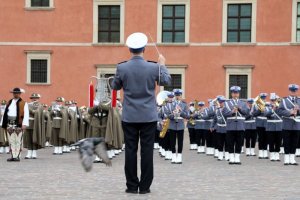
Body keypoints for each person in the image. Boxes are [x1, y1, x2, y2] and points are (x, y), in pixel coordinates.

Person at [112, 32, 171, 194]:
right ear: (144, 49)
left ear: (130, 49)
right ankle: (144, 187)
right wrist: (162, 65)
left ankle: (131, 186)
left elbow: (115, 86)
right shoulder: (153, 67)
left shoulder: (122, 67)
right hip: (148, 117)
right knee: (147, 152)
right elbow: (166, 81)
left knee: (130, 151)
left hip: (130, 116)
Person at [0, 88, 29, 162]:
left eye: (17, 93)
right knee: (11, 140)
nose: (16, 94)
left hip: (18, 123)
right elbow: (6, 113)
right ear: (13, 94)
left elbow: (26, 114)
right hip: (9, 123)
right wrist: (3, 123)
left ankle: (17, 156)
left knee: (18, 140)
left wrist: (25, 124)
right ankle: (13, 155)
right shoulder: (9, 102)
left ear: (20, 94)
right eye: (14, 93)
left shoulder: (23, 103)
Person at [224, 86, 248, 165]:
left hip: (240, 125)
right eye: (234, 93)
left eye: (237, 93)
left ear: (239, 94)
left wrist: (240, 109)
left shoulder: (243, 103)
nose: (235, 94)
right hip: (231, 125)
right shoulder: (227, 103)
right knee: (230, 142)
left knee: (239, 142)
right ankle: (231, 157)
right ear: (231, 94)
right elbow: (225, 114)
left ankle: (237, 157)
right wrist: (232, 111)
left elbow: (246, 113)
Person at [278, 84, 300, 165]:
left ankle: (292, 159)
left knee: (295, 142)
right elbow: (279, 111)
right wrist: (289, 112)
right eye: (292, 90)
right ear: (289, 91)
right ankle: (286, 158)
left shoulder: (299, 100)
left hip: (296, 124)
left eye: (295, 91)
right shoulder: (284, 100)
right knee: (287, 142)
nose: (293, 92)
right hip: (287, 123)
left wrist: (298, 110)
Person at [167, 89, 188, 164]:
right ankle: (173, 157)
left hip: (180, 125)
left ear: (181, 96)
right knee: (172, 142)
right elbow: (168, 115)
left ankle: (179, 157)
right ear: (174, 96)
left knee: (180, 142)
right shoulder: (170, 104)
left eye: (179, 95)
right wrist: (173, 113)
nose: (177, 97)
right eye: (176, 95)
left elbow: (187, 116)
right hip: (172, 125)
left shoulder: (184, 104)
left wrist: (180, 111)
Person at [24, 93, 44, 159]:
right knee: (28, 138)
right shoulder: (27, 104)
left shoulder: (39, 105)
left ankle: (34, 152)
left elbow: (36, 112)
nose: (34, 99)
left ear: (38, 98)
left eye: (36, 98)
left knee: (34, 138)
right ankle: (29, 152)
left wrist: (29, 110)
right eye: (33, 97)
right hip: (28, 123)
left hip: (35, 123)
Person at [210, 96, 230, 161]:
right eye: (219, 102)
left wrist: (219, 109)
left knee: (227, 142)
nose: (220, 103)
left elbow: (227, 115)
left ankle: (227, 156)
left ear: (224, 103)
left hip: (226, 128)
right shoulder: (217, 110)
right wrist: (212, 126)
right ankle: (220, 155)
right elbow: (215, 119)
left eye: (222, 102)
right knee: (219, 142)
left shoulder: (227, 109)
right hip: (219, 128)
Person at [265, 96, 282, 162]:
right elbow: (266, 114)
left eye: (275, 100)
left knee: (278, 141)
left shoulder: (280, 108)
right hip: (270, 127)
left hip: (279, 126)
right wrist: (273, 110)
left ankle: (277, 154)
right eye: (272, 100)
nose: (274, 102)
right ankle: (272, 155)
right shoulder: (267, 107)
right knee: (271, 141)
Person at [252, 93, 269, 159]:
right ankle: (260, 153)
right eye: (262, 97)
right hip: (259, 123)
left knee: (266, 138)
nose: (263, 99)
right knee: (261, 138)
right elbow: (253, 114)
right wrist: (260, 110)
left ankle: (265, 152)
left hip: (267, 123)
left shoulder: (268, 104)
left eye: (264, 97)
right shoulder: (255, 105)